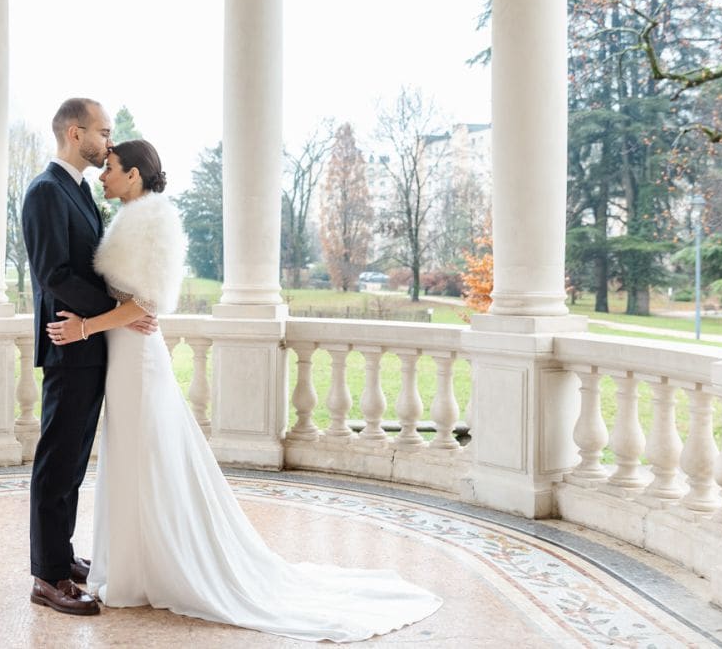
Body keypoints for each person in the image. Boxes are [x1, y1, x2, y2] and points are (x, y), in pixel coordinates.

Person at [46, 138, 443, 642]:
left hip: (138, 357)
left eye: (112, 168)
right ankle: (128, 565)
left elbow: (147, 307)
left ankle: (152, 567)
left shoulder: (153, 220)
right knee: (128, 456)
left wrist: (84, 328)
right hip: (123, 354)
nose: (103, 175)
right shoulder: (128, 217)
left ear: (135, 175)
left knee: (146, 457)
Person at [21, 98, 157, 617]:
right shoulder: (45, 191)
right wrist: (117, 310)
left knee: (74, 461)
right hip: (67, 343)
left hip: (90, 341)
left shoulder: (79, 191)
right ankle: (47, 576)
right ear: (76, 135)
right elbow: (53, 274)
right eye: (103, 131)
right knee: (56, 462)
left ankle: (61, 553)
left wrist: (115, 316)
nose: (109, 140)